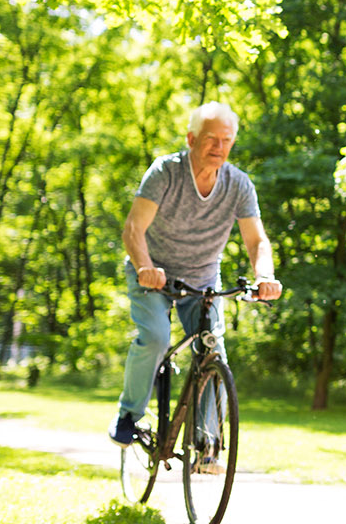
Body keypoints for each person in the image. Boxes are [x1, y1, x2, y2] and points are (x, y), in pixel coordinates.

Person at [108, 102, 283, 474]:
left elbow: (256, 241)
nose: (218, 147)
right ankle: (129, 414)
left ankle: (207, 445)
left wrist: (264, 277)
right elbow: (133, 229)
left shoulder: (237, 184)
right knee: (155, 337)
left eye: (226, 140)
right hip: (152, 275)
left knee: (212, 348)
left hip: (201, 279)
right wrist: (144, 267)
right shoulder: (165, 173)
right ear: (191, 139)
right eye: (210, 139)